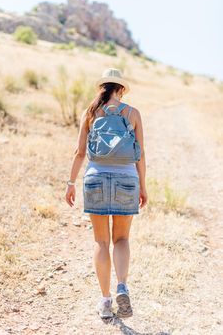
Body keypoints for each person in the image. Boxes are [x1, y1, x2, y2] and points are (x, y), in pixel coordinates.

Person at [65, 68, 147, 319]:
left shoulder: (90, 113)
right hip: (127, 180)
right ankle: (122, 286)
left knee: (101, 242)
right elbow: (140, 153)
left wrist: (70, 183)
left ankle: (105, 301)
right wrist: (143, 186)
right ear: (120, 89)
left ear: (103, 88)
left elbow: (79, 153)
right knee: (121, 239)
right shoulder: (132, 113)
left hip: (96, 179)